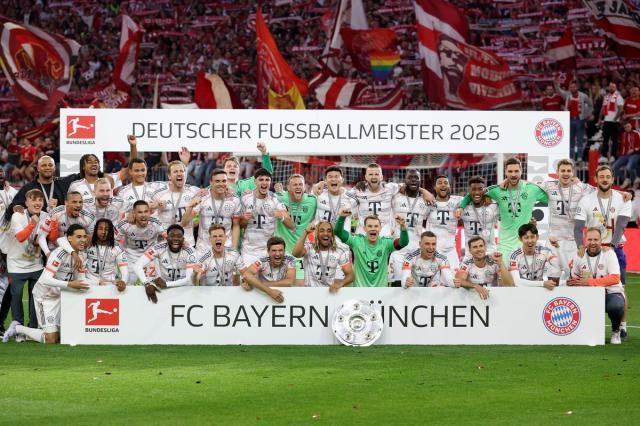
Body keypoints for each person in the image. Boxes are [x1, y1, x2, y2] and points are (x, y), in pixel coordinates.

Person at [3, 224, 92, 344]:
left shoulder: (82, 255)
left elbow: (81, 279)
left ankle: (33, 333)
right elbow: (45, 279)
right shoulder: (59, 254)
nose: (83, 240)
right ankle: (18, 328)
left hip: (62, 296)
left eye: (85, 236)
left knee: (66, 336)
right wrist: (70, 284)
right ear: (70, 238)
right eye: (79, 237)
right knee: (51, 339)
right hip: (45, 297)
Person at [574, 164, 632, 338]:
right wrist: (580, 246)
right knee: (586, 284)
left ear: (612, 179)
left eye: (608, 176)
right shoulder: (586, 200)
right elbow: (578, 228)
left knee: (620, 287)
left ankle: (622, 326)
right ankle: (586, 324)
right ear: (595, 179)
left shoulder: (623, 199)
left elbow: (621, 225)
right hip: (592, 249)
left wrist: (611, 246)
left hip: (615, 248)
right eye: (601, 177)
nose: (605, 179)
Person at [459, 157, 548, 260]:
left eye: (516, 171)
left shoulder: (532, 189)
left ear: (521, 171)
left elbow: (553, 198)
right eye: (510, 171)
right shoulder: (497, 190)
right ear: (505, 172)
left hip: (525, 244)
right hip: (505, 246)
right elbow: (474, 193)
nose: (513, 174)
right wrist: (461, 207)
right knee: (504, 270)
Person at [567, 228, 625, 344]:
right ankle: (582, 331)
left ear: (601, 240)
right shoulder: (579, 256)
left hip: (610, 293)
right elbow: (574, 278)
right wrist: (572, 281)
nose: (592, 242)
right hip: (588, 294)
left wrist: (590, 282)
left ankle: (616, 331)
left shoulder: (609, 254)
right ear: (585, 240)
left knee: (616, 306)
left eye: (595, 239)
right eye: (589, 239)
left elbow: (615, 278)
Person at [7, 189, 48, 330]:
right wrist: (32, 224)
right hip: (16, 264)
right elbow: (20, 237)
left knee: (36, 296)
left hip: (36, 264)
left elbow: (49, 238)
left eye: (40, 200)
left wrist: (54, 225)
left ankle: (33, 328)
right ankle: (18, 328)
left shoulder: (45, 216)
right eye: (33, 199)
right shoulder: (17, 216)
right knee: (16, 296)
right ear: (26, 202)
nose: (37, 203)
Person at [334, 209, 408, 287]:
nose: (373, 228)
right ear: (364, 228)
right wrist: (342, 217)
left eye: (376, 226)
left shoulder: (386, 244)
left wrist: (403, 227)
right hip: (360, 291)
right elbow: (338, 232)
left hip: (381, 291)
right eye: (369, 226)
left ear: (380, 228)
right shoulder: (356, 241)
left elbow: (403, 242)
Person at [238, 168, 293, 264]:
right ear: (255, 181)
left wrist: (282, 216)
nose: (264, 182)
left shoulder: (275, 199)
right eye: (261, 179)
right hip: (249, 251)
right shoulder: (245, 199)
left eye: (267, 180)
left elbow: (291, 225)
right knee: (248, 274)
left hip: (269, 251)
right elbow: (239, 225)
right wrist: (245, 219)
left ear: (270, 182)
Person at [133, 224, 196, 304]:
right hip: (165, 290)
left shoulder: (190, 251)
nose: (175, 239)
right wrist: (147, 284)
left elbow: (188, 279)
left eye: (179, 236)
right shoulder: (159, 248)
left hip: (184, 288)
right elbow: (137, 265)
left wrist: (167, 284)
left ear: (183, 239)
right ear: (167, 238)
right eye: (172, 236)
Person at [389, 169, 430, 286]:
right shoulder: (395, 197)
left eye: (416, 178)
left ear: (420, 181)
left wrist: (424, 192)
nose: (413, 180)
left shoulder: (425, 201)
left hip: (416, 251)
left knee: (416, 286)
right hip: (398, 250)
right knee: (398, 285)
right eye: (410, 177)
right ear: (405, 181)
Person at [275, 173, 317, 280]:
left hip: (300, 252)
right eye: (295, 185)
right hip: (281, 253)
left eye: (300, 184)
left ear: (304, 187)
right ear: (288, 188)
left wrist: (319, 186)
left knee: (300, 283)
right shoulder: (278, 198)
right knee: (282, 283)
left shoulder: (312, 201)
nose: (298, 187)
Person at [291, 221, 354, 291]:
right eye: (322, 231)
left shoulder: (340, 251)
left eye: (329, 231)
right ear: (317, 234)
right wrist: (306, 232)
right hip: (309, 292)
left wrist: (340, 284)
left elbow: (350, 275)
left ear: (332, 235)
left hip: (328, 293)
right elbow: (295, 254)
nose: (325, 233)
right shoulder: (309, 247)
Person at [150, 160, 201, 247]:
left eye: (182, 171)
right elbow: (151, 217)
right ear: (169, 176)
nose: (179, 173)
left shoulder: (194, 193)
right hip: (165, 243)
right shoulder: (159, 195)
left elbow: (194, 220)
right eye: (175, 171)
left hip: (187, 243)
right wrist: (163, 233)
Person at [116, 200, 165, 284]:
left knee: (153, 285)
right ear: (134, 213)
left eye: (146, 211)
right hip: (131, 258)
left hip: (150, 259)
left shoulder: (155, 222)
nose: (143, 215)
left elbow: (167, 235)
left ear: (149, 212)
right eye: (140, 212)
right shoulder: (124, 224)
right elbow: (114, 240)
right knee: (129, 286)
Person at [4, 155, 66, 221]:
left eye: (50, 165)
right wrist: (16, 208)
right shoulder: (28, 188)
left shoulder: (62, 185)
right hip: (35, 225)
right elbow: (9, 212)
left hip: (59, 225)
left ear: (54, 168)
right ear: (38, 168)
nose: (47, 167)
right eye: (44, 165)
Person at [196, 169, 241, 252]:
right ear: (211, 182)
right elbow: (190, 221)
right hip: (204, 248)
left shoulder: (234, 200)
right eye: (217, 181)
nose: (221, 184)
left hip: (226, 248)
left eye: (224, 181)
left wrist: (234, 248)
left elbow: (236, 225)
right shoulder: (202, 198)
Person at [426, 175, 463, 270]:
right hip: (432, 251)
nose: (443, 185)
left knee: (454, 278)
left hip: (450, 251)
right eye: (440, 183)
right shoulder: (428, 203)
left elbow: (470, 197)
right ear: (435, 187)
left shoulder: (457, 201)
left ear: (450, 186)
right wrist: (423, 191)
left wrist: (461, 207)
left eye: (446, 183)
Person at [508, 224, 560, 289]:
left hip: (539, 291)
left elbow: (558, 264)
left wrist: (557, 247)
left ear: (537, 237)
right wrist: (542, 283)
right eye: (526, 238)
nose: (530, 241)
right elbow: (517, 282)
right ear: (520, 239)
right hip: (521, 291)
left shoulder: (544, 251)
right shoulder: (514, 256)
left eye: (532, 237)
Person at [239, 236, 289, 302]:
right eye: (274, 250)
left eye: (280, 250)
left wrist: (255, 284)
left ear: (284, 251)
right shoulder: (262, 260)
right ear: (268, 251)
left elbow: (289, 282)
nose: (277, 254)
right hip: (262, 297)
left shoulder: (290, 259)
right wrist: (270, 291)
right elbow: (246, 275)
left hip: (284, 295)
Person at [460, 176, 499, 255]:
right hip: (470, 255)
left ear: (484, 190)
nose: (477, 192)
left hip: (490, 252)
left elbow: (501, 188)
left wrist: (489, 195)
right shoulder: (462, 206)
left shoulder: (494, 206)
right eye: (473, 189)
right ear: (469, 191)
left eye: (480, 189)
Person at [85, 219, 128, 290]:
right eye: (100, 229)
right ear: (95, 230)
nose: (103, 232)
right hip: (89, 283)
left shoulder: (117, 248)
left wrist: (123, 281)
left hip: (109, 285)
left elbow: (124, 268)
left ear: (111, 231)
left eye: (107, 229)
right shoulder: (87, 244)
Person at [556, 80, 593, 160]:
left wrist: (587, 115)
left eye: (574, 87)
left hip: (580, 120)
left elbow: (590, 105)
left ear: (577, 87)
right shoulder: (567, 95)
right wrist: (556, 84)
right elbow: (559, 91)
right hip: (570, 119)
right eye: (571, 87)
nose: (572, 88)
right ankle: (571, 157)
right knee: (571, 139)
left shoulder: (583, 96)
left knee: (580, 139)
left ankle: (579, 157)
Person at [598, 82, 624, 160]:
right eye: (610, 87)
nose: (611, 88)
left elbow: (621, 109)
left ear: (616, 88)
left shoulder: (618, 97)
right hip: (606, 120)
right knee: (605, 139)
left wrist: (615, 119)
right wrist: (600, 118)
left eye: (613, 87)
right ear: (608, 88)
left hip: (614, 122)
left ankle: (613, 156)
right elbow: (602, 108)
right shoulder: (606, 97)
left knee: (614, 139)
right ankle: (604, 156)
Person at [612, 121, 640, 188]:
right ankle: (626, 180)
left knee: (629, 167)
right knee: (613, 168)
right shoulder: (623, 135)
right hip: (624, 155)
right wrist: (620, 155)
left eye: (628, 126)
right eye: (625, 127)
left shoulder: (637, 133)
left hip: (635, 154)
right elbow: (622, 146)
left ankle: (635, 181)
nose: (627, 128)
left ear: (631, 126)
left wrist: (633, 149)